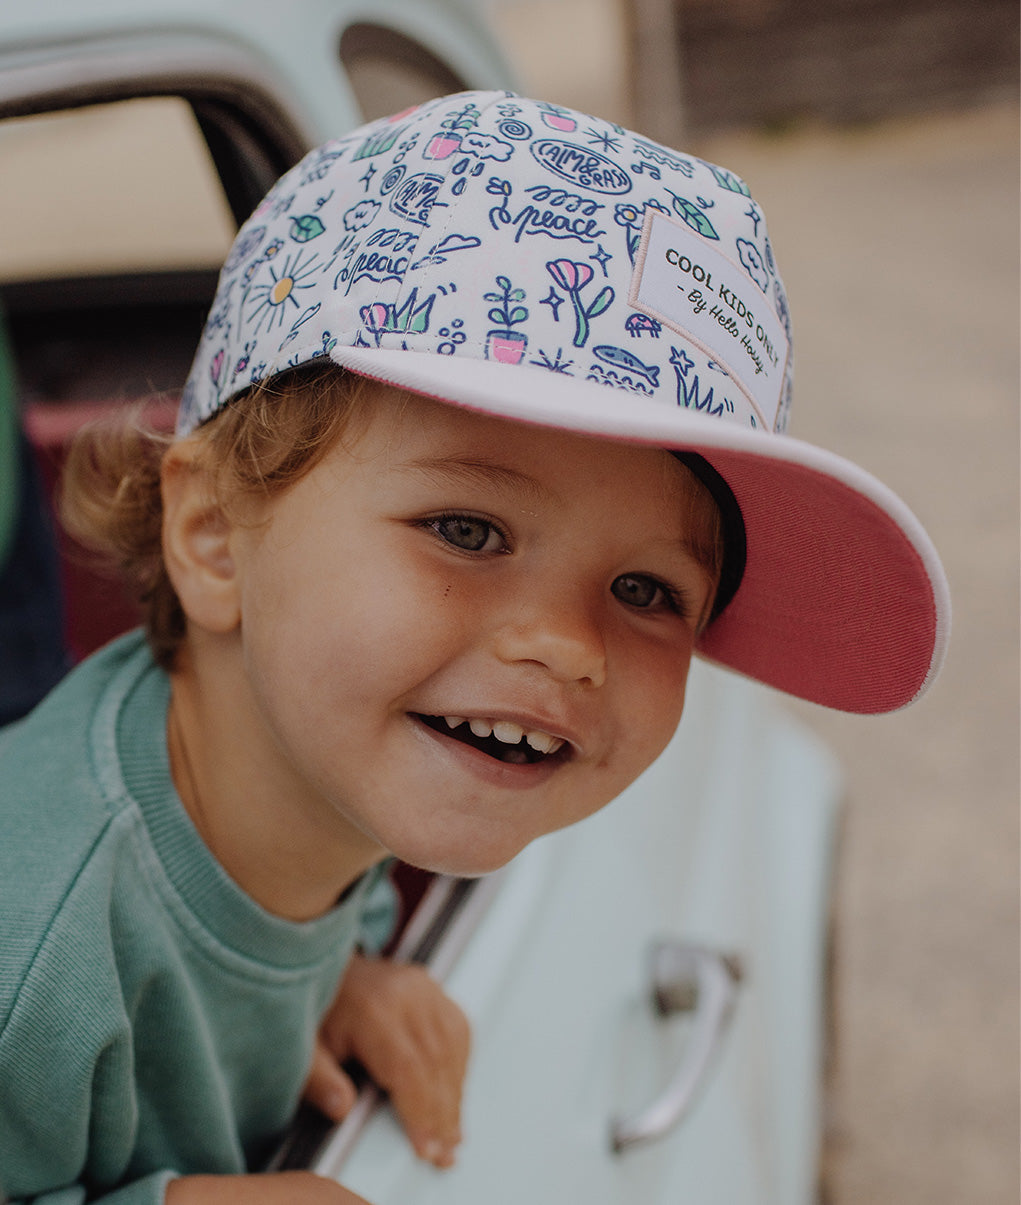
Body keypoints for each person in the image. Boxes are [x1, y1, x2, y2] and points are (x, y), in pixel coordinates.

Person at [0, 91, 950, 1204]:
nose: (565, 645)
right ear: (214, 536)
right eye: (465, 529)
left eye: (646, 588)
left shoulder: (316, 778)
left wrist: (331, 976)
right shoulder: (33, 940)